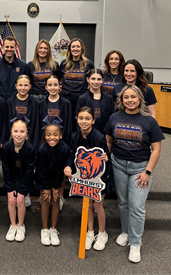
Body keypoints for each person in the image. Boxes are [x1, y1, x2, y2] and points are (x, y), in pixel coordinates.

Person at [103, 85, 164, 263]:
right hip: (118, 165)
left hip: (140, 169)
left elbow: (157, 149)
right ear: (121, 100)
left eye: (133, 97)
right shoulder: (115, 117)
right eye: (126, 97)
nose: (129, 100)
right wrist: (107, 158)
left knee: (137, 206)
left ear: (139, 99)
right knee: (123, 202)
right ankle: (126, 231)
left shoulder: (149, 121)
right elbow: (108, 140)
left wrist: (147, 172)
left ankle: (136, 242)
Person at [66, 106, 114, 251]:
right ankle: (90, 232)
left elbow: (106, 159)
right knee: (86, 204)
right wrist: (68, 166)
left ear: (93, 120)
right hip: (84, 177)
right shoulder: (74, 136)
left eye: (87, 119)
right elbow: (70, 154)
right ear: (77, 119)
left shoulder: (99, 137)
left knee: (97, 205)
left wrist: (106, 158)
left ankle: (102, 233)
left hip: (100, 178)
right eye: (81, 118)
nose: (84, 121)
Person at [35, 123, 72, 246]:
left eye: (55, 135)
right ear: (45, 136)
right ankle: (44, 229)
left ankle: (53, 229)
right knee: (45, 199)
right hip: (44, 178)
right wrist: (46, 188)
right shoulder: (41, 149)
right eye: (49, 135)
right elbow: (42, 170)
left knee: (55, 199)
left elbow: (60, 169)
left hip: (57, 178)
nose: (52, 137)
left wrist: (56, 188)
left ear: (61, 136)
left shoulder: (65, 148)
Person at [0, 118, 35, 242]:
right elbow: (6, 169)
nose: (18, 134)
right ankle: (13, 225)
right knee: (11, 199)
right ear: (11, 132)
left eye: (22, 131)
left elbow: (29, 171)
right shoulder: (5, 147)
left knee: (20, 200)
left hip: (24, 177)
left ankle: (21, 225)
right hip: (12, 176)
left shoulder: (30, 149)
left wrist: (22, 190)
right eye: (16, 131)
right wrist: (10, 188)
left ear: (26, 133)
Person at [59, 38, 94, 132]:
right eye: (73, 46)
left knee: (81, 125)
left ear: (82, 49)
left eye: (78, 46)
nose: (75, 49)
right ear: (69, 49)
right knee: (66, 124)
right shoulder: (64, 63)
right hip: (66, 99)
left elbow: (92, 80)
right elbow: (61, 80)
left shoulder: (88, 64)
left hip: (81, 100)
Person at [4, 75, 41, 149]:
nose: (23, 88)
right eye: (20, 85)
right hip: (13, 137)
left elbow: (36, 123)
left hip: (29, 136)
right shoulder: (9, 102)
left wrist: (35, 143)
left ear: (30, 86)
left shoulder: (34, 102)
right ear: (16, 86)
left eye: (26, 85)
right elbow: (6, 122)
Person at [0, 37, 30, 101]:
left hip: (17, 102)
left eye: (12, 47)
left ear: (15, 48)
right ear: (3, 48)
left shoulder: (23, 65)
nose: (9, 49)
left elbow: (28, 84)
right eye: (7, 47)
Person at [77, 69, 115, 135]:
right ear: (88, 80)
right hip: (87, 136)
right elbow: (78, 120)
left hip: (105, 136)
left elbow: (112, 120)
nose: (96, 82)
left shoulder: (109, 98)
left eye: (99, 79)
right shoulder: (82, 99)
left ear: (102, 81)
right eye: (93, 79)